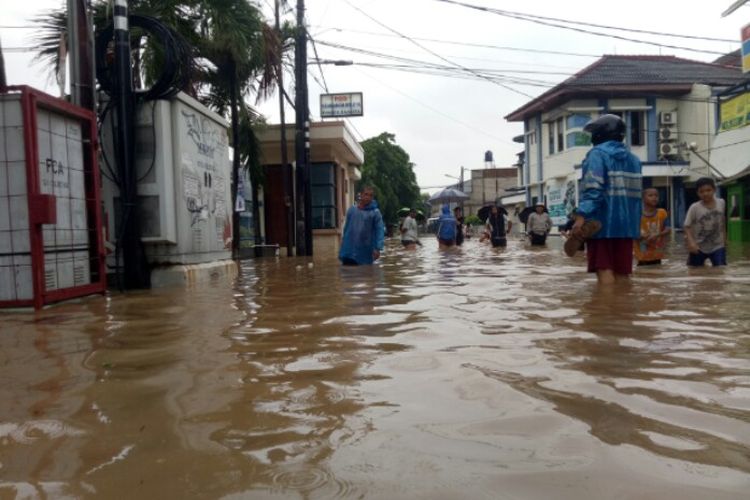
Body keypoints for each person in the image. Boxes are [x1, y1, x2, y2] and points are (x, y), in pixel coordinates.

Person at [568, 114, 642, 284]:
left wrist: (581, 216)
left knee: (604, 269)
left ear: (600, 133)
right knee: (623, 272)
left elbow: (593, 190)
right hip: (627, 227)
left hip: (602, 225)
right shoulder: (634, 160)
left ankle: (606, 308)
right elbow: (636, 197)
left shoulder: (597, 155)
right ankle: (624, 309)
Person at [684, 177, 726, 267]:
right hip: (698, 247)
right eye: (701, 191)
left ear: (714, 190)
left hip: (718, 245)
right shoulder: (694, 207)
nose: (705, 193)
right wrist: (691, 243)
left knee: (721, 270)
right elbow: (687, 226)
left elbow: (722, 221)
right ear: (697, 193)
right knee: (694, 271)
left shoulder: (721, 203)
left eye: (708, 190)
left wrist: (725, 240)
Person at [339, 186, 385, 265]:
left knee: (364, 274)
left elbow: (380, 230)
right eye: (366, 194)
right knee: (347, 273)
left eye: (371, 195)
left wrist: (377, 248)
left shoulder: (375, 213)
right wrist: (343, 241)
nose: (368, 197)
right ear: (361, 195)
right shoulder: (352, 210)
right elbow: (346, 228)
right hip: (349, 249)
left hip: (365, 250)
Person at [634, 188, 671, 266]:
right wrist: (640, 236)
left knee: (657, 274)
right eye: (650, 195)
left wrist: (658, 235)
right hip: (642, 256)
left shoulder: (662, 213)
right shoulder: (636, 215)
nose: (654, 198)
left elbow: (668, 229)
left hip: (657, 254)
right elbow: (630, 232)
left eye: (656, 195)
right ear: (643, 198)